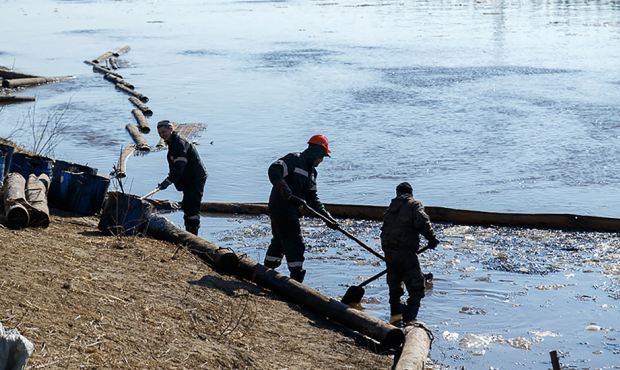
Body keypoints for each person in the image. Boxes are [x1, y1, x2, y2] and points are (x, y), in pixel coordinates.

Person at [263, 134, 338, 283]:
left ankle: (266, 271)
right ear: (316, 152)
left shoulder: (312, 173)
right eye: (321, 157)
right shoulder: (293, 159)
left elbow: (313, 199)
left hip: (292, 210)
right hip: (281, 207)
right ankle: (296, 278)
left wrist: (327, 217)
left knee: (280, 239)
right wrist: (283, 187)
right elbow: (274, 169)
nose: (321, 161)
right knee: (295, 242)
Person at [380, 182, 439, 326]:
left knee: (394, 288)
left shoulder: (391, 208)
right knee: (417, 289)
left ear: (397, 193)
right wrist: (432, 238)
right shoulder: (414, 204)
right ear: (411, 193)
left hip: (389, 252)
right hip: (406, 253)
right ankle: (409, 320)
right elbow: (423, 222)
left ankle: (395, 317)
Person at [155, 120, 207, 235]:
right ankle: (189, 232)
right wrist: (170, 180)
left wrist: (168, 181)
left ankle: (193, 236)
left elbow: (179, 166)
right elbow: (175, 167)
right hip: (188, 177)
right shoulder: (172, 143)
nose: (162, 135)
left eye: (164, 132)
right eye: (159, 133)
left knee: (192, 206)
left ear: (170, 129)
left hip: (195, 177)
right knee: (187, 204)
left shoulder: (178, 144)